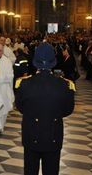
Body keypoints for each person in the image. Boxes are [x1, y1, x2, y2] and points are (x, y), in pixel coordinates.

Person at [15, 42, 75, 175]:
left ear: (35, 62)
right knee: (51, 171)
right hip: (53, 135)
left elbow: (20, 107)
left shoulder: (24, 84)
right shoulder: (64, 85)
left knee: (30, 171)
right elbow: (68, 110)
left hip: (31, 134)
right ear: (53, 62)